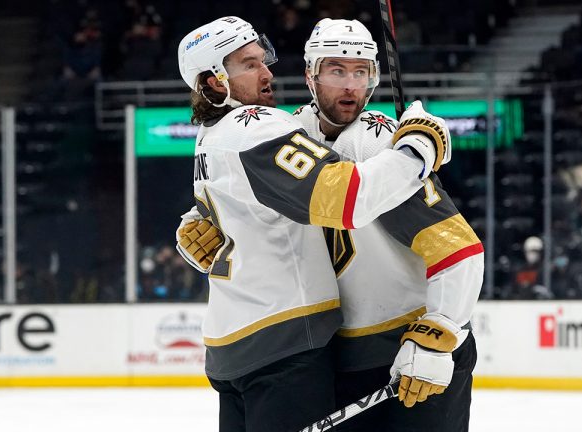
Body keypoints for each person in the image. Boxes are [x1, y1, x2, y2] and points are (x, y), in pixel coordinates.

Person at [174, 16, 452, 432]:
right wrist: (419, 148)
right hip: (283, 346)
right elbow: (350, 200)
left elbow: (222, 213)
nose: (267, 73)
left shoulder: (207, 137)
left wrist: (192, 224)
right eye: (249, 65)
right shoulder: (256, 127)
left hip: (228, 348)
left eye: (263, 59)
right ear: (214, 82)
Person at [291, 19, 484, 431]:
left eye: (360, 72)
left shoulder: (381, 143)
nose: (350, 86)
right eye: (336, 70)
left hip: (414, 346)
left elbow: (459, 249)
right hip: (341, 355)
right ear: (310, 74)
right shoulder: (290, 135)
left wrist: (439, 332)